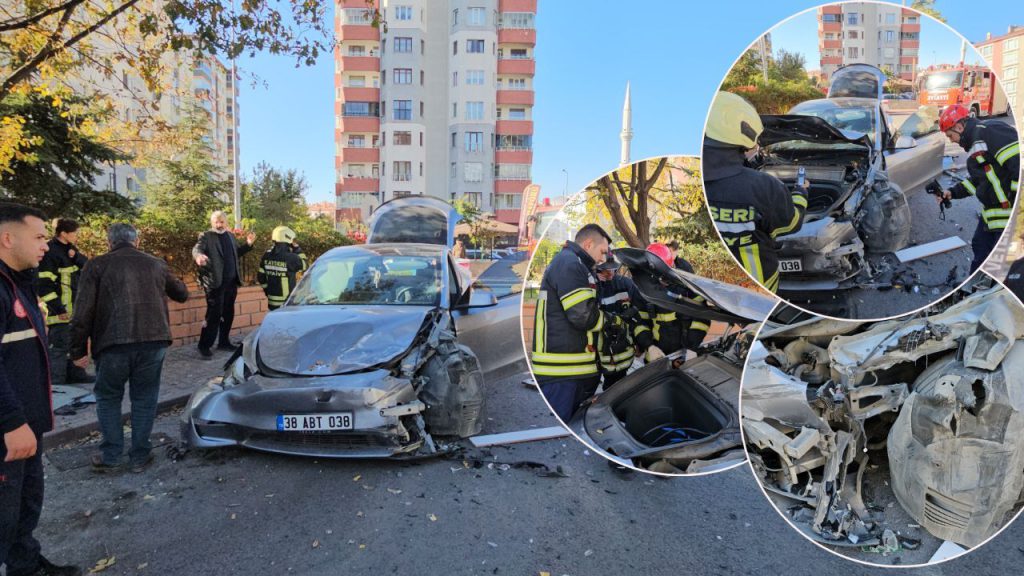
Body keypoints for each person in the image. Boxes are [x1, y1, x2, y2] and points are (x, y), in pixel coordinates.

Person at [0, 202, 82, 576]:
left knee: (25, 505)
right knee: (3, 514)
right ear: (6, 238)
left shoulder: (19, 284)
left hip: (27, 427)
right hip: (10, 431)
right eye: (37, 237)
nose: (44, 245)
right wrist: (11, 422)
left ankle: (26, 565)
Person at [69, 224, 189, 473]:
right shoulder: (155, 263)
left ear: (109, 241)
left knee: (109, 398)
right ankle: (140, 456)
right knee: (144, 398)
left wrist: (77, 351)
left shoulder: (96, 265)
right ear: (136, 240)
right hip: (153, 341)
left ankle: (111, 455)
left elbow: (82, 312)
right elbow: (181, 294)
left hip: (112, 345)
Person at [703, 91, 808, 293]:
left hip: (722, 289)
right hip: (760, 285)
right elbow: (791, 224)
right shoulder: (763, 186)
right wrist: (800, 193)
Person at [531, 224, 611, 421]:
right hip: (562, 373)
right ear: (588, 243)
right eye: (602, 252)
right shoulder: (570, 264)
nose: (603, 259)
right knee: (558, 432)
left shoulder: (574, 264)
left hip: (569, 370)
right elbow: (583, 316)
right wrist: (611, 321)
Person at [937, 104, 1019, 272]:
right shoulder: (977, 145)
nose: (951, 140)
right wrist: (952, 193)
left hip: (1008, 216)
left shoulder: (989, 132)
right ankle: (976, 288)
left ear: (959, 127)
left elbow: (1018, 166)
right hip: (993, 215)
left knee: (1002, 265)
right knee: (980, 248)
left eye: (951, 135)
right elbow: (980, 180)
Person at [37, 218, 93, 387]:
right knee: (59, 349)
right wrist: (58, 309)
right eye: (75, 233)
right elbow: (44, 285)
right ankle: (57, 384)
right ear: (63, 233)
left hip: (74, 310)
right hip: (59, 312)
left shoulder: (70, 249)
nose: (77, 236)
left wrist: (76, 256)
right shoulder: (50, 252)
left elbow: (88, 266)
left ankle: (76, 375)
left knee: (74, 345)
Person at [192, 211, 255, 358]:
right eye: (216, 222)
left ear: (226, 223)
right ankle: (204, 345)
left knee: (228, 313)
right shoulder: (206, 236)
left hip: (231, 283)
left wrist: (248, 244)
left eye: (222, 222)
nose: (219, 225)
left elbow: (236, 253)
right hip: (215, 284)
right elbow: (197, 249)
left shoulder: (230, 236)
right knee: (213, 315)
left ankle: (224, 342)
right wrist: (198, 256)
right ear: (212, 223)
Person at [594, 254, 651, 389]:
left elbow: (640, 312)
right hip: (603, 351)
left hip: (624, 348)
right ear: (596, 270)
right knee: (607, 385)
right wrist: (595, 283)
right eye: (605, 270)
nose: (610, 273)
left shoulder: (626, 284)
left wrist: (641, 344)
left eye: (612, 269)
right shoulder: (593, 287)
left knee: (622, 383)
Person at [643, 243, 707, 357]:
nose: (664, 280)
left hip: (685, 350)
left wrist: (692, 346)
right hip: (657, 353)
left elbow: (702, 316)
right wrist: (649, 346)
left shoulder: (686, 283)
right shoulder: (645, 288)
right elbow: (640, 322)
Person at [257, 226, 308, 311]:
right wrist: (297, 249)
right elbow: (305, 265)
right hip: (287, 302)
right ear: (288, 239)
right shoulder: (291, 257)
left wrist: (267, 291)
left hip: (272, 301)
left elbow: (260, 277)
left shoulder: (267, 255)